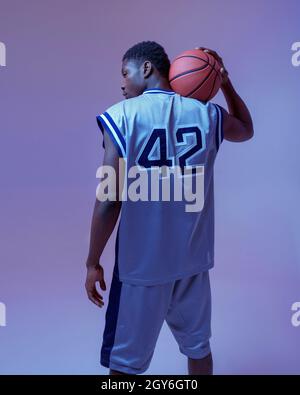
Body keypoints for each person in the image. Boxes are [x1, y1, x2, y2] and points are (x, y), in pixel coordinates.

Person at [85, 41, 254, 375]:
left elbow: (109, 199)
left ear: (146, 69)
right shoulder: (206, 114)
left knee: (124, 366)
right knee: (199, 351)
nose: (121, 82)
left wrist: (92, 261)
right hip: (192, 264)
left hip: (141, 269)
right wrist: (224, 81)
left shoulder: (121, 116)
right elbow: (246, 129)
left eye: (125, 72)